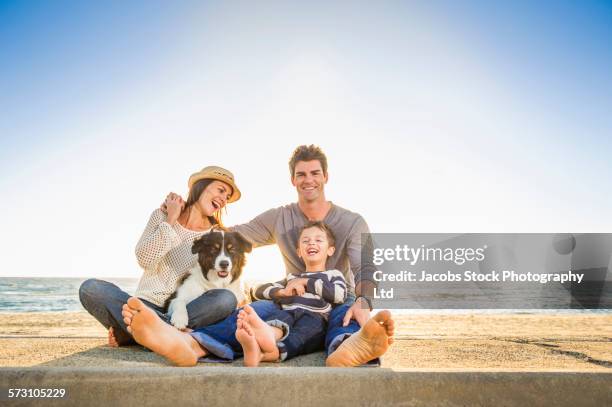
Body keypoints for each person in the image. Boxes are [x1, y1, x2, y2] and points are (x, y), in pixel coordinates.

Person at [120, 145, 394, 367]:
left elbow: (365, 267)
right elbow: (232, 236)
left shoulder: (352, 221)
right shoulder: (280, 217)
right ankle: (191, 346)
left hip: (336, 299)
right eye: (301, 174)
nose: (308, 180)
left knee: (345, 316)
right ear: (293, 180)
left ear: (325, 177)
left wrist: (364, 300)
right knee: (247, 315)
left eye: (314, 173)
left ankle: (348, 348)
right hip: (288, 298)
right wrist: (187, 217)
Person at [79, 166, 242, 346]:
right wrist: (171, 219)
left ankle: (138, 333)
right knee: (90, 288)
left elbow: (222, 281)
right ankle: (160, 334)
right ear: (201, 186)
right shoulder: (162, 215)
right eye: (221, 190)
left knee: (225, 299)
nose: (224, 199)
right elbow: (145, 259)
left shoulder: (216, 235)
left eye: (227, 197)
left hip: (186, 310)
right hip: (144, 305)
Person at [237, 221, 347, 366]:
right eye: (306, 241)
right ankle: (267, 337)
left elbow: (339, 295)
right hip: (289, 311)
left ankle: (269, 351)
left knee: (302, 334)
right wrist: (282, 291)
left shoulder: (333, 275)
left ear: (330, 250)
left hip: (316, 319)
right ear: (299, 252)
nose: (311, 243)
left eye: (318, 240)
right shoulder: (292, 278)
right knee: (280, 318)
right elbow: (258, 291)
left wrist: (307, 282)